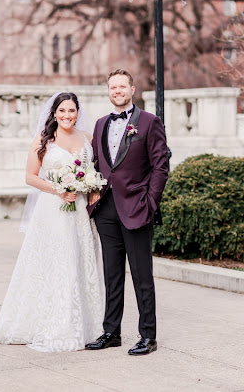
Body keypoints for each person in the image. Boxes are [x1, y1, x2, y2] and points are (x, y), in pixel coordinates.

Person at [0, 92, 105, 352]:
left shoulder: (87, 138)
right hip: (53, 209)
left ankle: (84, 326)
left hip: (79, 210)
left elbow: (95, 170)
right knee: (57, 262)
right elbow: (30, 176)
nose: (67, 115)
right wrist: (57, 189)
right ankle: (53, 324)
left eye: (71, 110)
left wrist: (91, 187)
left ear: (77, 112)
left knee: (80, 262)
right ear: (54, 113)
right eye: (62, 111)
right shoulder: (44, 139)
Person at [86, 69, 169, 356]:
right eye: (113, 87)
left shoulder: (149, 122)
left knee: (141, 275)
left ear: (132, 89)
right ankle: (111, 332)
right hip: (106, 209)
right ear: (108, 91)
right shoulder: (99, 124)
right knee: (112, 274)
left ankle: (148, 336)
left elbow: (161, 166)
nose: (117, 90)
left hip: (137, 207)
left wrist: (150, 201)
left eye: (122, 86)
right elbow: (97, 164)